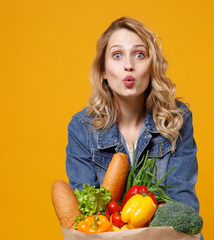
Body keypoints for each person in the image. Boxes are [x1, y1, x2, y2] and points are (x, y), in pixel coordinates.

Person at [66, 17, 201, 214]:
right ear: (103, 70)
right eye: (117, 55)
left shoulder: (176, 120)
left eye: (139, 55)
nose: (129, 65)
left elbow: (182, 205)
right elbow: (87, 212)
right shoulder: (82, 128)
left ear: (152, 66)